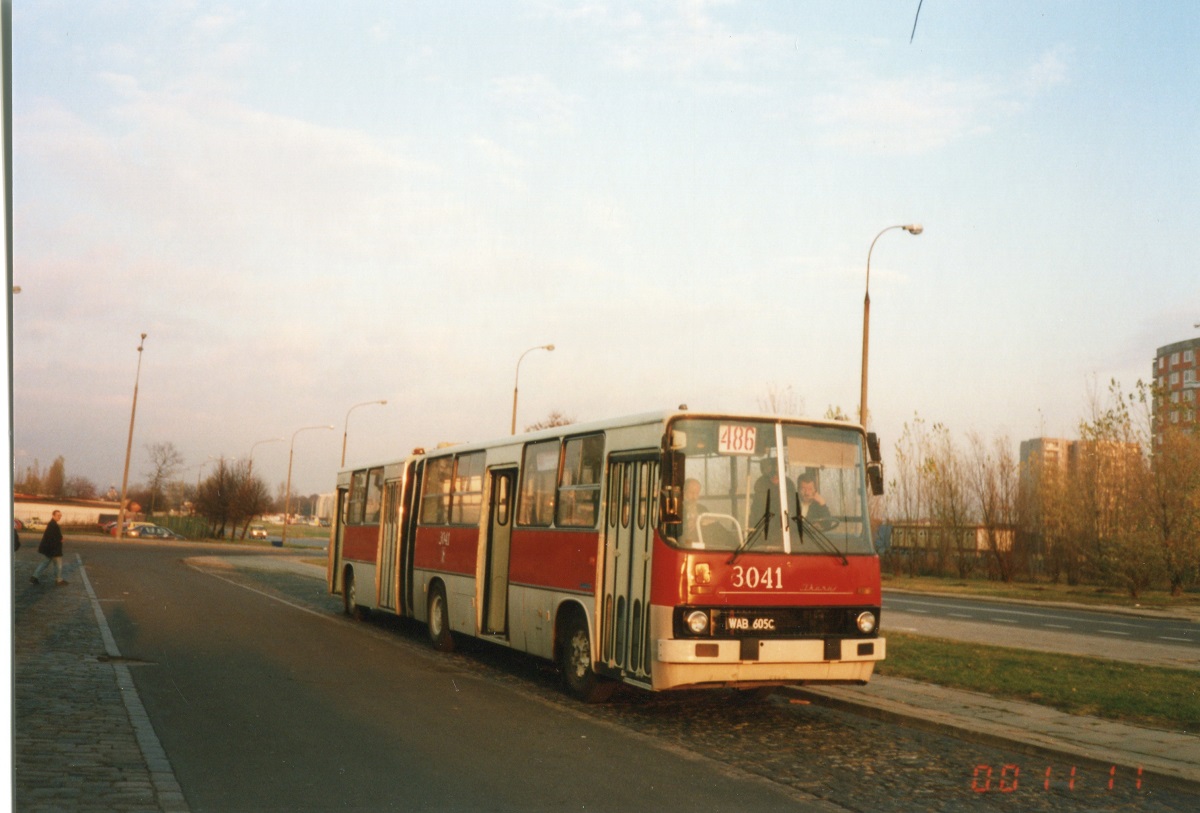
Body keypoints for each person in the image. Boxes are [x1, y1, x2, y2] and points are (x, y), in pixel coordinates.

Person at [31, 510, 68, 586]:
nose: (59, 517)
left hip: (50, 549)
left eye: (60, 515)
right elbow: (52, 538)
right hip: (54, 550)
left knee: (44, 563)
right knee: (58, 565)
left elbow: (52, 537)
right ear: (53, 515)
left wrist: (60, 538)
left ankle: (34, 577)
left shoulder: (52, 524)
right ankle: (59, 580)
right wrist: (60, 539)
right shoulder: (53, 525)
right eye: (58, 515)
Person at [680, 478, 708, 547]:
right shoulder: (678, 509)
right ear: (684, 492)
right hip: (683, 545)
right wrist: (687, 526)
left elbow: (711, 530)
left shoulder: (703, 509)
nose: (694, 497)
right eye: (692, 493)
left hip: (703, 544)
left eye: (697, 493)